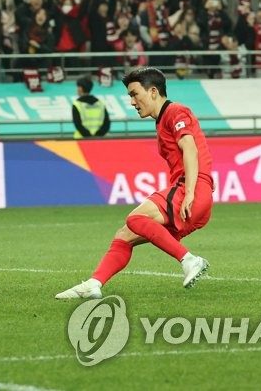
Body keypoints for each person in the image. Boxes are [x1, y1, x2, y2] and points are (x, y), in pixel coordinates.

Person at [56, 67, 212, 299]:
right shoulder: (162, 121)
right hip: (193, 196)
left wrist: (189, 192)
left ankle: (190, 260)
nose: (132, 102)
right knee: (124, 234)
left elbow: (189, 148)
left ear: (153, 92)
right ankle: (94, 283)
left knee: (135, 218)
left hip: (192, 189)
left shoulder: (176, 111)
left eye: (134, 94)